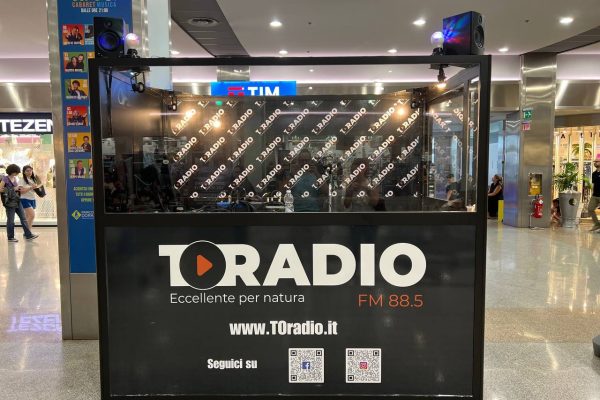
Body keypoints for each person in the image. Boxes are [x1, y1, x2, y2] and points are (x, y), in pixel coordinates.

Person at [0, 164, 38, 242]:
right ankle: (10, 237)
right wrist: (14, 188)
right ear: (12, 171)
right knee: (11, 220)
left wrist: (20, 188)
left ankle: (28, 235)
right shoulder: (5, 178)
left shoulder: (15, 178)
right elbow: (0, 189)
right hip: (9, 202)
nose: (18, 173)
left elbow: (16, 189)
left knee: (23, 218)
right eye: (16, 172)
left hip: (17, 200)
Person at [588, 156, 600, 231]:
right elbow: (593, 184)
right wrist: (592, 193)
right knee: (590, 209)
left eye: (597, 161)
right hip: (595, 195)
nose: (595, 163)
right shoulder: (594, 174)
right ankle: (597, 224)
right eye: (594, 162)